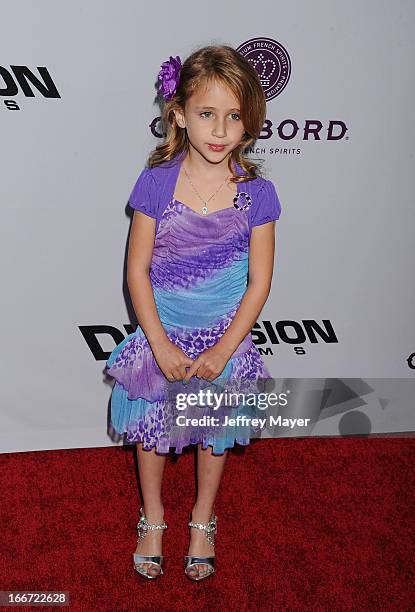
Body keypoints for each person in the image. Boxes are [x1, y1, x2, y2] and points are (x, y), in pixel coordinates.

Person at [105, 44, 282, 581]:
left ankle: (203, 518)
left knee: (213, 430)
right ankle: (153, 518)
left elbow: (260, 281)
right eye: (207, 113)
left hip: (222, 341)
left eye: (234, 116)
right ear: (179, 115)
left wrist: (223, 350)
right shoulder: (157, 183)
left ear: (249, 122)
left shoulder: (257, 194)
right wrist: (159, 344)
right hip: (164, 334)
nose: (221, 129)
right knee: (152, 428)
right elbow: (137, 272)